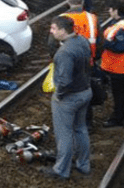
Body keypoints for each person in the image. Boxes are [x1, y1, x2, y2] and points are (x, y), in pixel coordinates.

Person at [41, 15, 92, 180]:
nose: (51, 31)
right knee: (80, 129)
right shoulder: (82, 40)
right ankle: (83, 165)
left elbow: (64, 81)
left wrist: (58, 96)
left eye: (54, 28)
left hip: (69, 98)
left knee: (64, 135)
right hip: (85, 91)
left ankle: (61, 170)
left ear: (63, 31)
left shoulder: (64, 52)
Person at [100, 0, 124, 128]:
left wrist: (105, 44)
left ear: (116, 11)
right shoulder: (121, 24)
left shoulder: (121, 28)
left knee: (118, 93)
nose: (109, 11)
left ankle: (117, 118)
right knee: (122, 91)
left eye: (111, 9)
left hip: (118, 66)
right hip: (119, 65)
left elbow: (121, 48)